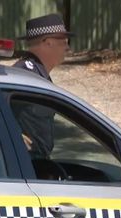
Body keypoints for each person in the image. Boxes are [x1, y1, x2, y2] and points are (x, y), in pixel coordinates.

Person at [13, 13, 74, 159]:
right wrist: (15, 137)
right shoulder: (24, 76)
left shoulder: (39, 76)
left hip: (36, 164)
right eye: (63, 40)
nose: (67, 46)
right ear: (47, 42)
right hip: (25, 165)